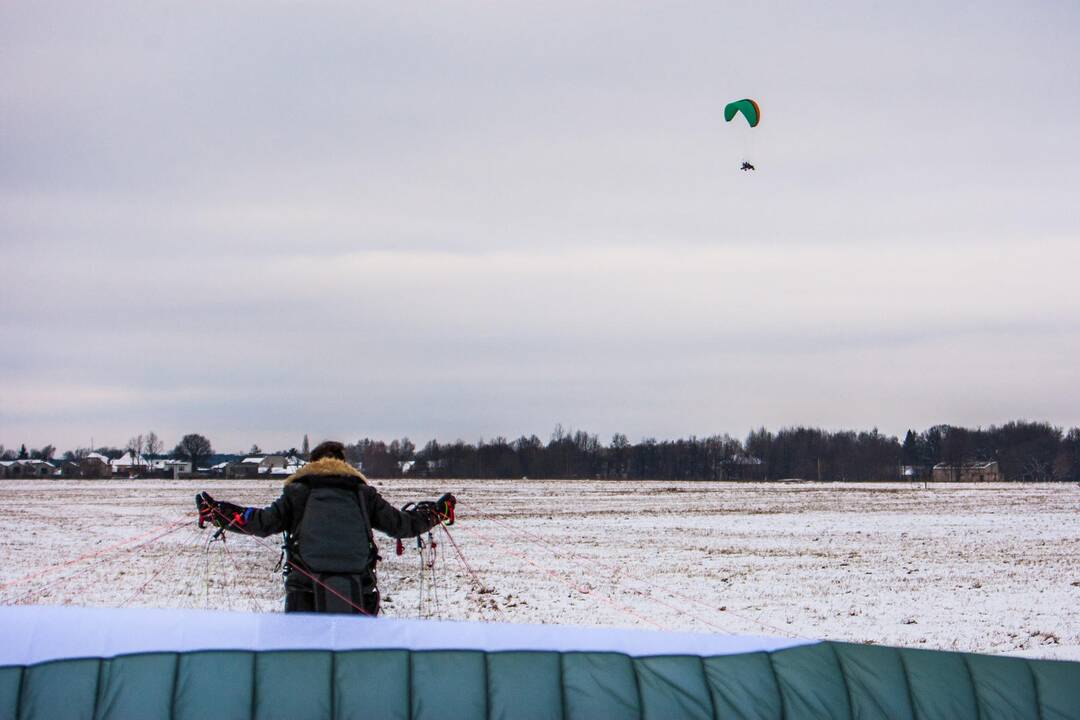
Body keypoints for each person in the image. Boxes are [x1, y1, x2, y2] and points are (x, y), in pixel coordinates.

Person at [196, 440, 455, 615]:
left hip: (304, 593)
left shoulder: (297, 492)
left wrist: (217, 513)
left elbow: (260, 522)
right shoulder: (364, 494)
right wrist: (437, 512)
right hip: (359, 592)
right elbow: (401, 525)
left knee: (305, 662)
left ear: (312, 463)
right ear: (344, 464)